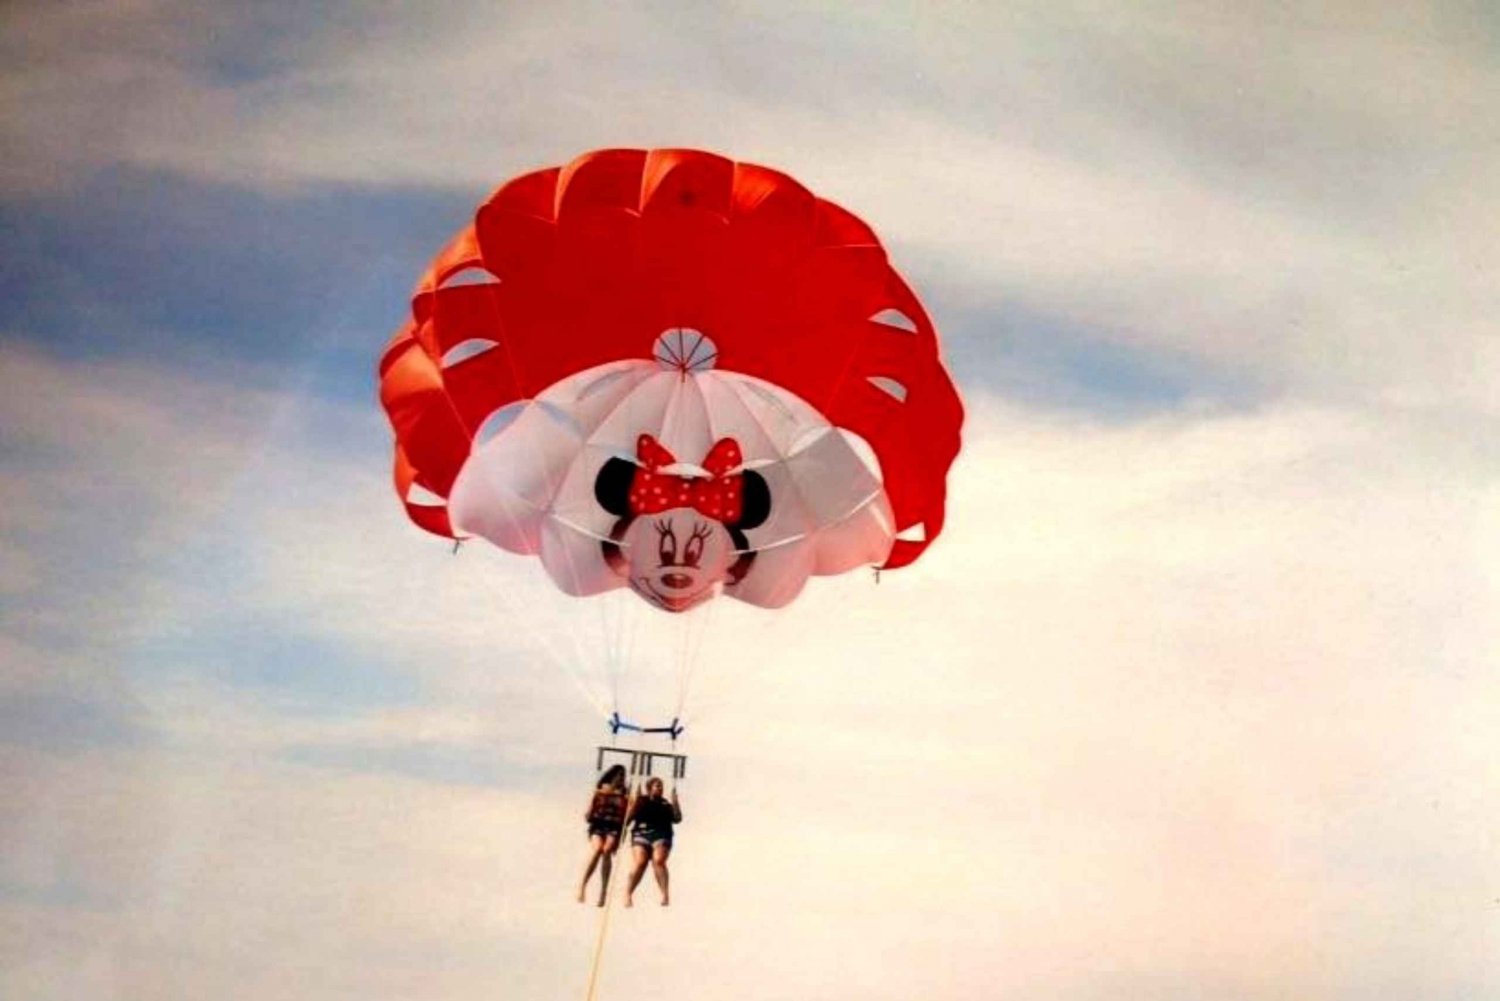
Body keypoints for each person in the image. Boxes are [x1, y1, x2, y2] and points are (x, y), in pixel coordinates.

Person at [623, 776, 681, 907]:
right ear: (649, 788)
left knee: (658, 860)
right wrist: (631, 805)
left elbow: (677, 819)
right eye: (657, 785)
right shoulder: (641, 801)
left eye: (661, 786)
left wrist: (675, 801)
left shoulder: (666, 804)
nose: (660, 788)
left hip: (661, 834)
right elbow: (628, 819)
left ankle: (665, 894)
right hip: (641, 833)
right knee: (640, 861)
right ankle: (628, 893)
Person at [578, 765, 628, 906]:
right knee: (597, 849)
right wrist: (590, 811)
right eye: (620, 776)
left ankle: (603, 892)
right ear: (613, 776)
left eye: (623, 777)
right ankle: (583, 885)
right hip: (598, 825)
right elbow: (589, 813)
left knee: (606, 850)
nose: (622, 779)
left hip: (614, 828)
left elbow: (628, 812)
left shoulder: (624, 794)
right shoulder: (600, 790)